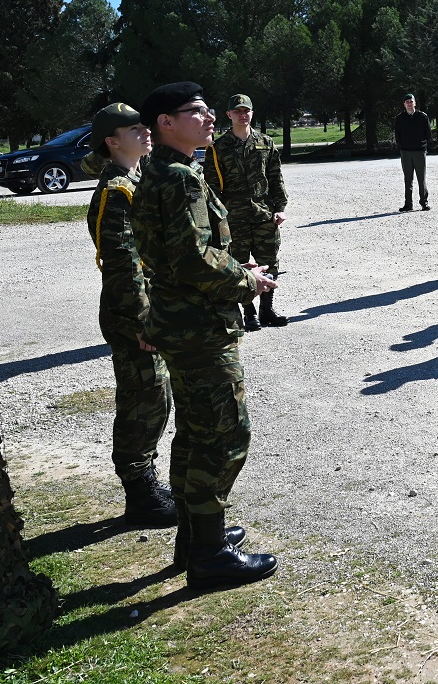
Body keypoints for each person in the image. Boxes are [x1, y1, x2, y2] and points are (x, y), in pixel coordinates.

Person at [131, 81, 279, 589]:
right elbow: (193, 259)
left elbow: (182, 252)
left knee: (195, 432)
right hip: (199, 326)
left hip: (182, 321)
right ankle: (210, 555)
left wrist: (236, 266)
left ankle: (195, 537)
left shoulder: (166, 171)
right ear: (165, 122)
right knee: (224, 432)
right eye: (196, 111)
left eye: (209, 110)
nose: (210, 117)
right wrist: (247, 281)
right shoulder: (178, 178)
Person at [85, 103, 174, 527]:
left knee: (156, 396)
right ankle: (140, 493)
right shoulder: (116, 191)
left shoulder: (137, 180)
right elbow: (122, 263)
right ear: (113, 141)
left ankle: (146, 479)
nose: (145, 132)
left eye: (144, 125)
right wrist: (142, 321)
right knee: (143, 399)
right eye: (134, 129)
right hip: (132, 315)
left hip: (148, 310)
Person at [207, 94, 289, 331]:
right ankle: (249, 312)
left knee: (269, 263)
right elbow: (212, 186)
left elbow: (275, 177)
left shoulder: (265, 142)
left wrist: (280, 208)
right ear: (229, 115)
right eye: (237, 111)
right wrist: (218, 218)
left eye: (246, 111)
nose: (242, 115)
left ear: (252, 113)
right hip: (234, 217)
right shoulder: (218, 148)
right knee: (240, 265)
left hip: (264, 214)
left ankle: (267, 310)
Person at [393, 93, 431, 212]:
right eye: (407, 102)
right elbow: (397, 134)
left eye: (411, 101)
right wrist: (402, 146)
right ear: (404, 104)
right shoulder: (399, 118)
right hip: (406, 152)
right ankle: (408, 204)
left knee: (421, 178)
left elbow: (428, 134)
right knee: (408, 179)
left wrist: (423, 146)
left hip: (419, 152)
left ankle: (424, 203)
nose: (409, 104)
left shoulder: (422, 117)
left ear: (415, 103)